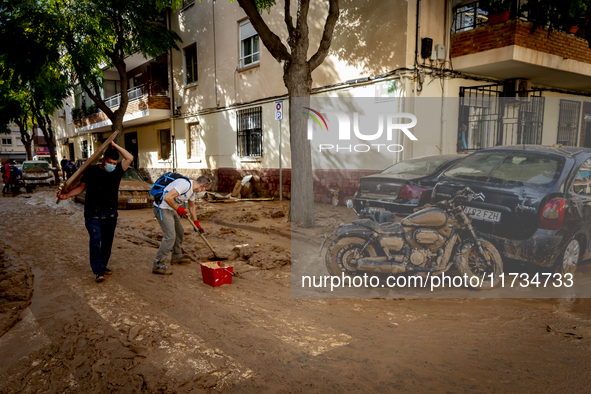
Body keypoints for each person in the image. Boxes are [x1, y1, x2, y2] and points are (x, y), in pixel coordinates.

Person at [57, 142, 133, 282]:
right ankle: (98, 271)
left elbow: (129, 157)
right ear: (103, 160)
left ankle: (103, 266)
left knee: (107, 242)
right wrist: (67, 195)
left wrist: (114, 145)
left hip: (110, 214)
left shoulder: (117, 171)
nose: (112, 165)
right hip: (93, 213)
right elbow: (81, 187)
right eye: (110, 162)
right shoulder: (91, 170)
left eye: (114, 162)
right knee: (95, 239)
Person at [152, 175, 212, 275]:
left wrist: (196, 222)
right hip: (162, 208)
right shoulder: (184, 185)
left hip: (171, 208)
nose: (204, 191)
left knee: (180, 231)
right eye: (205, 189)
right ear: (202, 186)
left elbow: (192, 206)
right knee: (170, 237)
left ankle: (176, 256)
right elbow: (167, 198)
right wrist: (178, 209)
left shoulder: (193, 190)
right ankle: (158, 264)